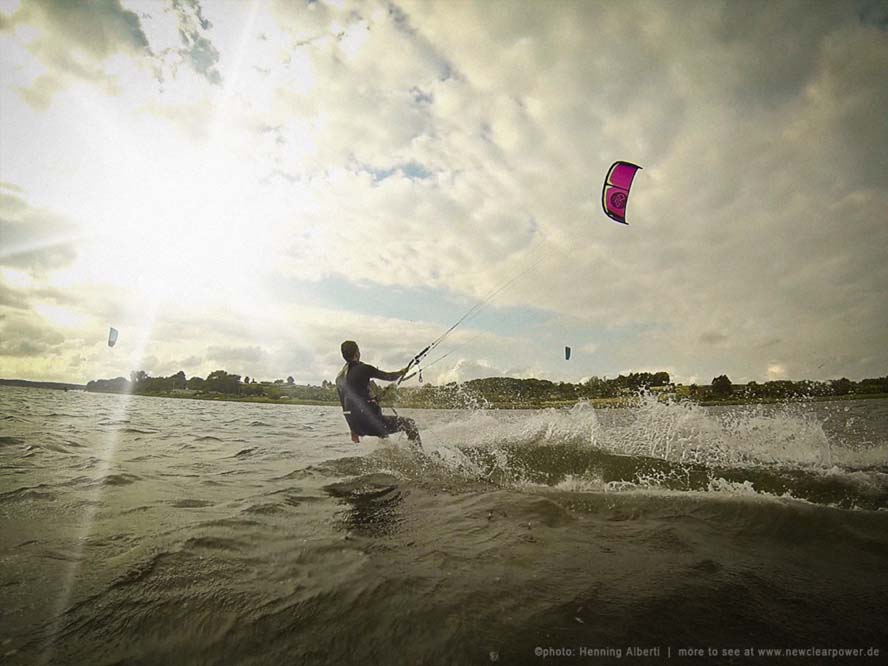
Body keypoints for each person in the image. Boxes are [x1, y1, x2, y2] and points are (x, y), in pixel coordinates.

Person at [335, 340, 422, 447]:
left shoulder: (339, 379)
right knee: (409, 423)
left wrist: (353, 430)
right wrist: (402, 372)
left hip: (357, 427)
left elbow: (345, 408)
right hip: (371, 423)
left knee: (384, 433)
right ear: (357, 353)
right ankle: (420, 457)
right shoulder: (363, 368)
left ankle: (388, 457)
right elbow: (389, 377)